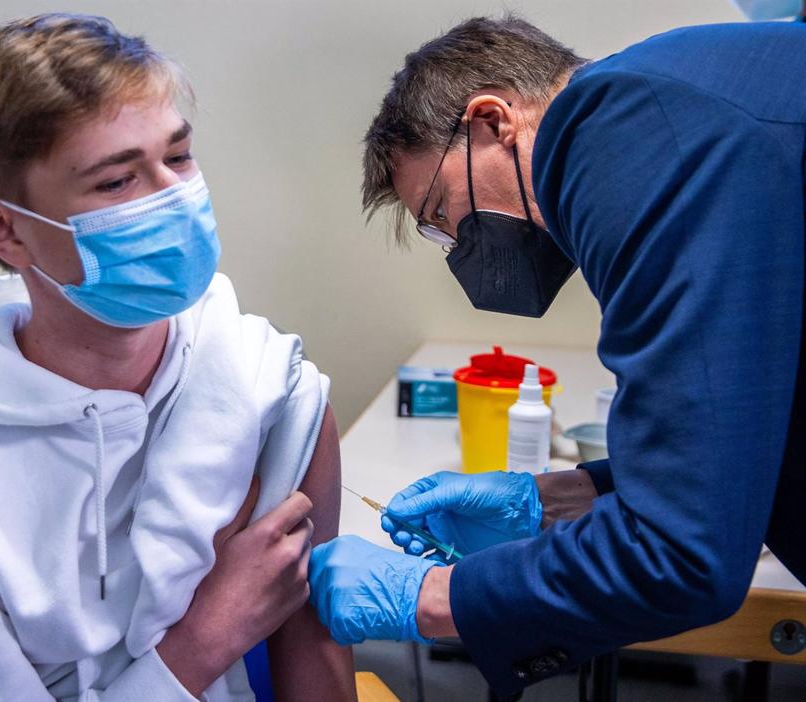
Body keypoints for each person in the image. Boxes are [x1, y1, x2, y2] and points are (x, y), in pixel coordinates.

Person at [0, 14, 355, 702]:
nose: (173, 196)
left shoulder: (266, 390)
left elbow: (312, 654)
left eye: (179, 155)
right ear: (5, 230)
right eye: (116, 183)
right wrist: (202, 642)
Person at [308, 15, 805, 697]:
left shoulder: (630, 137)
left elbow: (683, 558)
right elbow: (747, 422)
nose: (460, 248)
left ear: (492, 122)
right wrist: (574, 498)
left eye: (444, 212)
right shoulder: (662, 104)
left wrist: (432, 595)